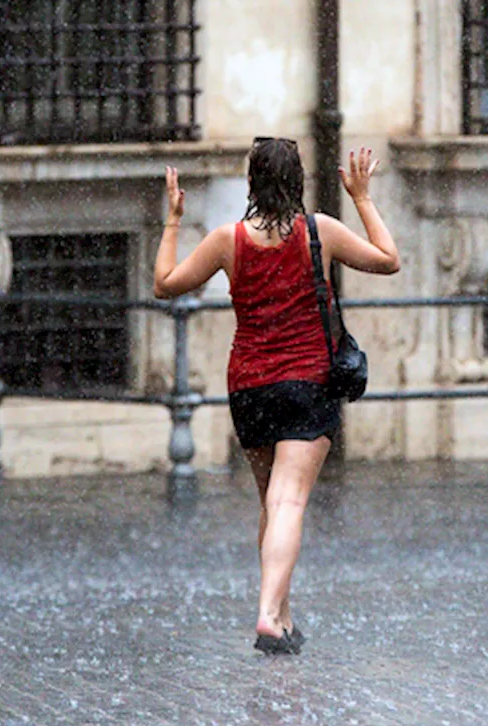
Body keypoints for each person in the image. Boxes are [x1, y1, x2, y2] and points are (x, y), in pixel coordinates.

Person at [152, 138, 400, 655]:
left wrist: (174, 219)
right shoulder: (320, 231)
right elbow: (387, 259)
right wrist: (361, 197)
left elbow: (165, 284)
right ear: (298, 184)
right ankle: (268, 613)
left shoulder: (228, 240)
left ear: (251, 184)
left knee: (271, 501)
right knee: (289, 501)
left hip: (250, 388)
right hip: (308, 385)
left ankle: (283, 617)